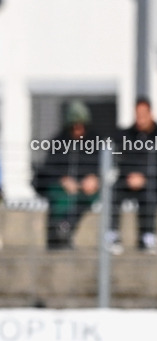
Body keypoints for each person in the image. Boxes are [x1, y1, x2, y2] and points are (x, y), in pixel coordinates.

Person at [108, 97, 157, 254]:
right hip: (128, 181)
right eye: (137, 114)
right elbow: (120, 158)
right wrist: (131, 176)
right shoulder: (125, 135)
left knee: (149, 195)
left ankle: (148, 236)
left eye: (143, 114)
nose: (140, 118)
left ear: (151, 114)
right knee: (112, 193)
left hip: (153, 182)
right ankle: (112, 236)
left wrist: (144, 177)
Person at [34, 100, 99, 250]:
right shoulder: (58, 141)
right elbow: (48, 168)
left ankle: (65, 228)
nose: (78, 129)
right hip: (63, 188)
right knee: (59, 200)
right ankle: (56, 237)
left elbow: (106, 164)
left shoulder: (96, 141)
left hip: (87, 190)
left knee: (83, 199)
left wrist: (95, 178)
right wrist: (63, 180)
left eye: (81, 125)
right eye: (74, 125)